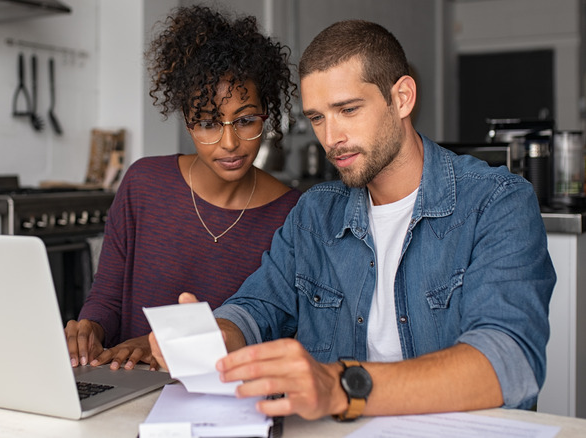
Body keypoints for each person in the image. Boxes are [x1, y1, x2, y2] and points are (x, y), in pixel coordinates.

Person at [151, 19, 556, 420]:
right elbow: (257, 306)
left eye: (347, 110)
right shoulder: (314, 214)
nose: (331, 138)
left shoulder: (496, 202)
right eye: (317, 117)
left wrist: (343, 387)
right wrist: (217, 335)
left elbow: (509, 362)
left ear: (402, 98)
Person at [65, 5, 301, 372]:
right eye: (207, 123)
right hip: (127, 385)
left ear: (266, 115)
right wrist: (90, 329)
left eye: (246, 120)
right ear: (188, 123)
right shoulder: (143, 184)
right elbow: (107, 299)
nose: (229, 143)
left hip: (225, 401)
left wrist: (161, 345)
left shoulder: (292, 214)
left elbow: (275, 331)